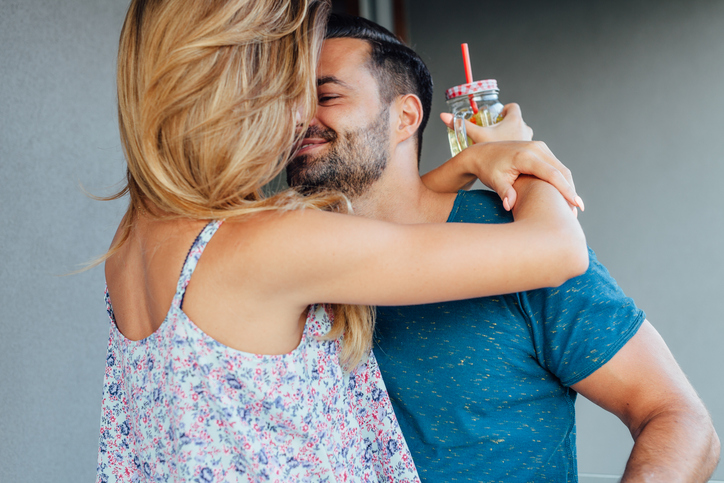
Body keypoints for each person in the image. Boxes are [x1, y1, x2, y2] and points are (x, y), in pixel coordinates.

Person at [96, 1, 590, 482]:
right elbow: (559, 249)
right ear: (245, 87)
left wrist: (455, 169)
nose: (299, 112)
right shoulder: (273, 246)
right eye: (293, 83)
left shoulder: (134, 242)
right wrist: (522, 154)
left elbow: (363, 227)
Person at [286, 13, 721, 482]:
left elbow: (680, 420)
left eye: (326, 96)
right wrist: (497, 158)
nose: (298, 119)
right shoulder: (282, 253)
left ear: (406, 117)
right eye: (290, 104)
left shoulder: (514, 239)